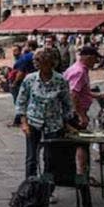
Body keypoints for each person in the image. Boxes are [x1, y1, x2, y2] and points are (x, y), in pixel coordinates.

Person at [15, 49, 73, 180]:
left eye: (39, 61)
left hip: (53, 125)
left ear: (50, 63)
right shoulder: (30, 79)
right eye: (36, 60)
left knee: (50, 158)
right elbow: (21, 101)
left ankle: (47, 188)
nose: (36, 64)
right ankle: (30, 187)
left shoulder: (60, 80)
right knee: (31, 158)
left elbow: (67, 104)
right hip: (33, 122)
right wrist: (24, 123)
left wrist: (66, 122)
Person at [64, 46, 104, 176]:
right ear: (88, 57)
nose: (95, 62)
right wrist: (81, 115)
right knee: (82, 143)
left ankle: (82, 174)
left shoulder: (80, 69)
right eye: (94, 59)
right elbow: (73, 94)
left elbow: (82, 92)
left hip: (76, 111)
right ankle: (82, 175)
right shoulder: (79, 71)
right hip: (75, 113)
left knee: (80, 143)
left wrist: (99, 95)